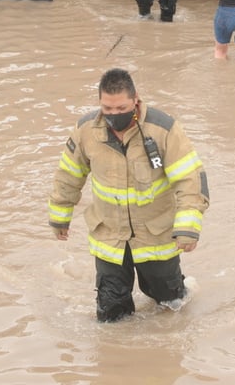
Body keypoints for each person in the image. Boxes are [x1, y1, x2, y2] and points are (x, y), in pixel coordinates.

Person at [48, 68, 210, 323]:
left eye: (121, 108)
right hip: (109, 237)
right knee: (111, 317)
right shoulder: (86, 130)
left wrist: (188, 228)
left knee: (172, 305)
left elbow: (190, 180)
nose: (114, 115)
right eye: (107, 108)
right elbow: (69, 175)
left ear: (136, 99)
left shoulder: (163, 130)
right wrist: (60, 216)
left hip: (155, 236)